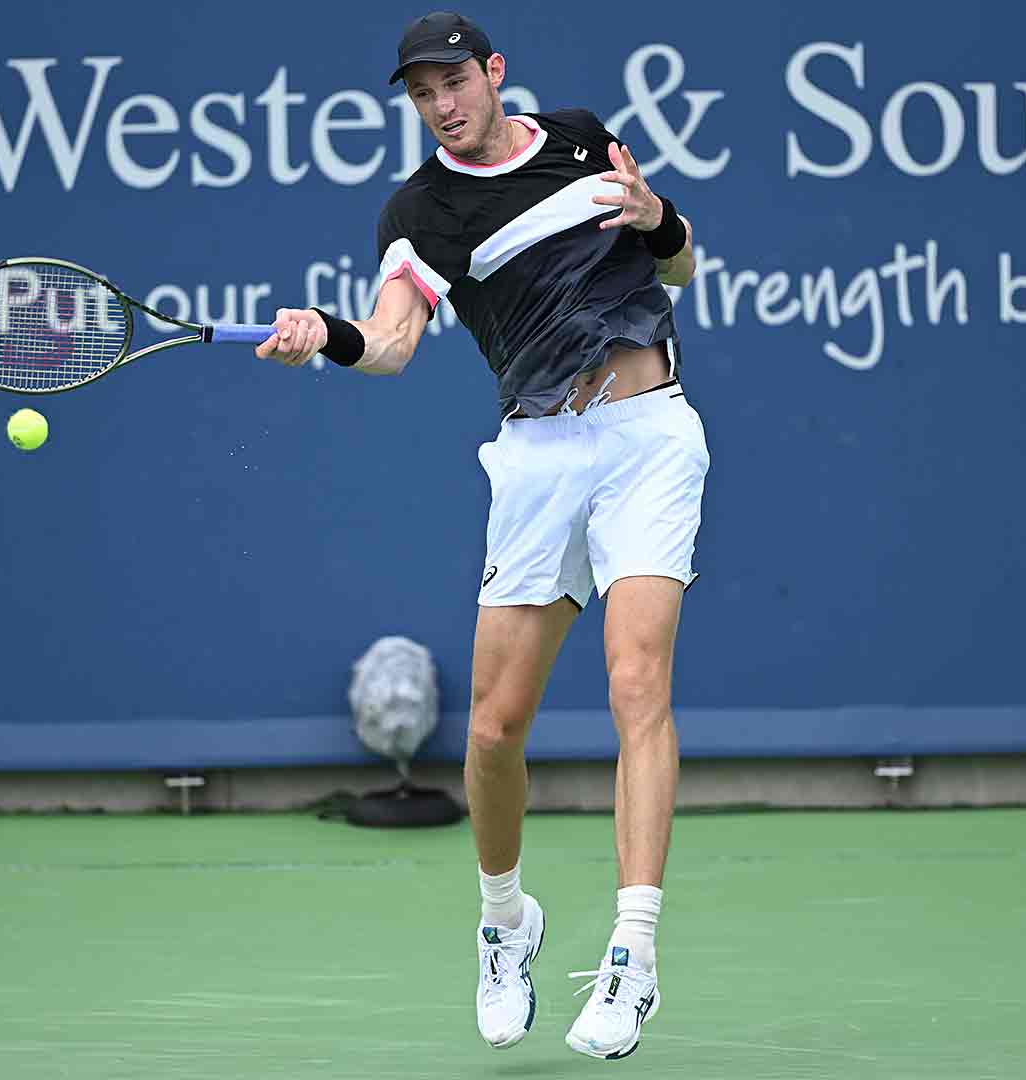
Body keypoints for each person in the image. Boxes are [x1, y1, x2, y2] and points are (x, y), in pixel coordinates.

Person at [255, 11, 705, 1061]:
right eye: (420, 93)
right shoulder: (421, 213)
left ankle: (635, 954)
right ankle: (506, 922)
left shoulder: (588, 139)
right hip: (538, 457)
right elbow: (393, 344)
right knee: (496, 731)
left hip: (650, 433)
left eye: (452, 80)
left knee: (639, 684)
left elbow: (681, 267)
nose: (441, 104)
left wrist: (655, 213)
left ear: (494, 73)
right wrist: (326, 336)